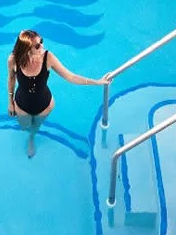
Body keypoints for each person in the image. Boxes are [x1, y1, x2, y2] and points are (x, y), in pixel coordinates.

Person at [6, 29, 107, 157]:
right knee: (24, 126)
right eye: (37, 46)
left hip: (45, 105)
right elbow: (11, 78)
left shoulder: (48, 58)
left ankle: (31, 138)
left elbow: (71, 77)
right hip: (21, 106)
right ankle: (29, 133)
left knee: (35, 127)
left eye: (41, 41)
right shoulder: (13, 60)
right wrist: (10, 102)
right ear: (26, 49)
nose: (42, 46)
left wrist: (98, 82)